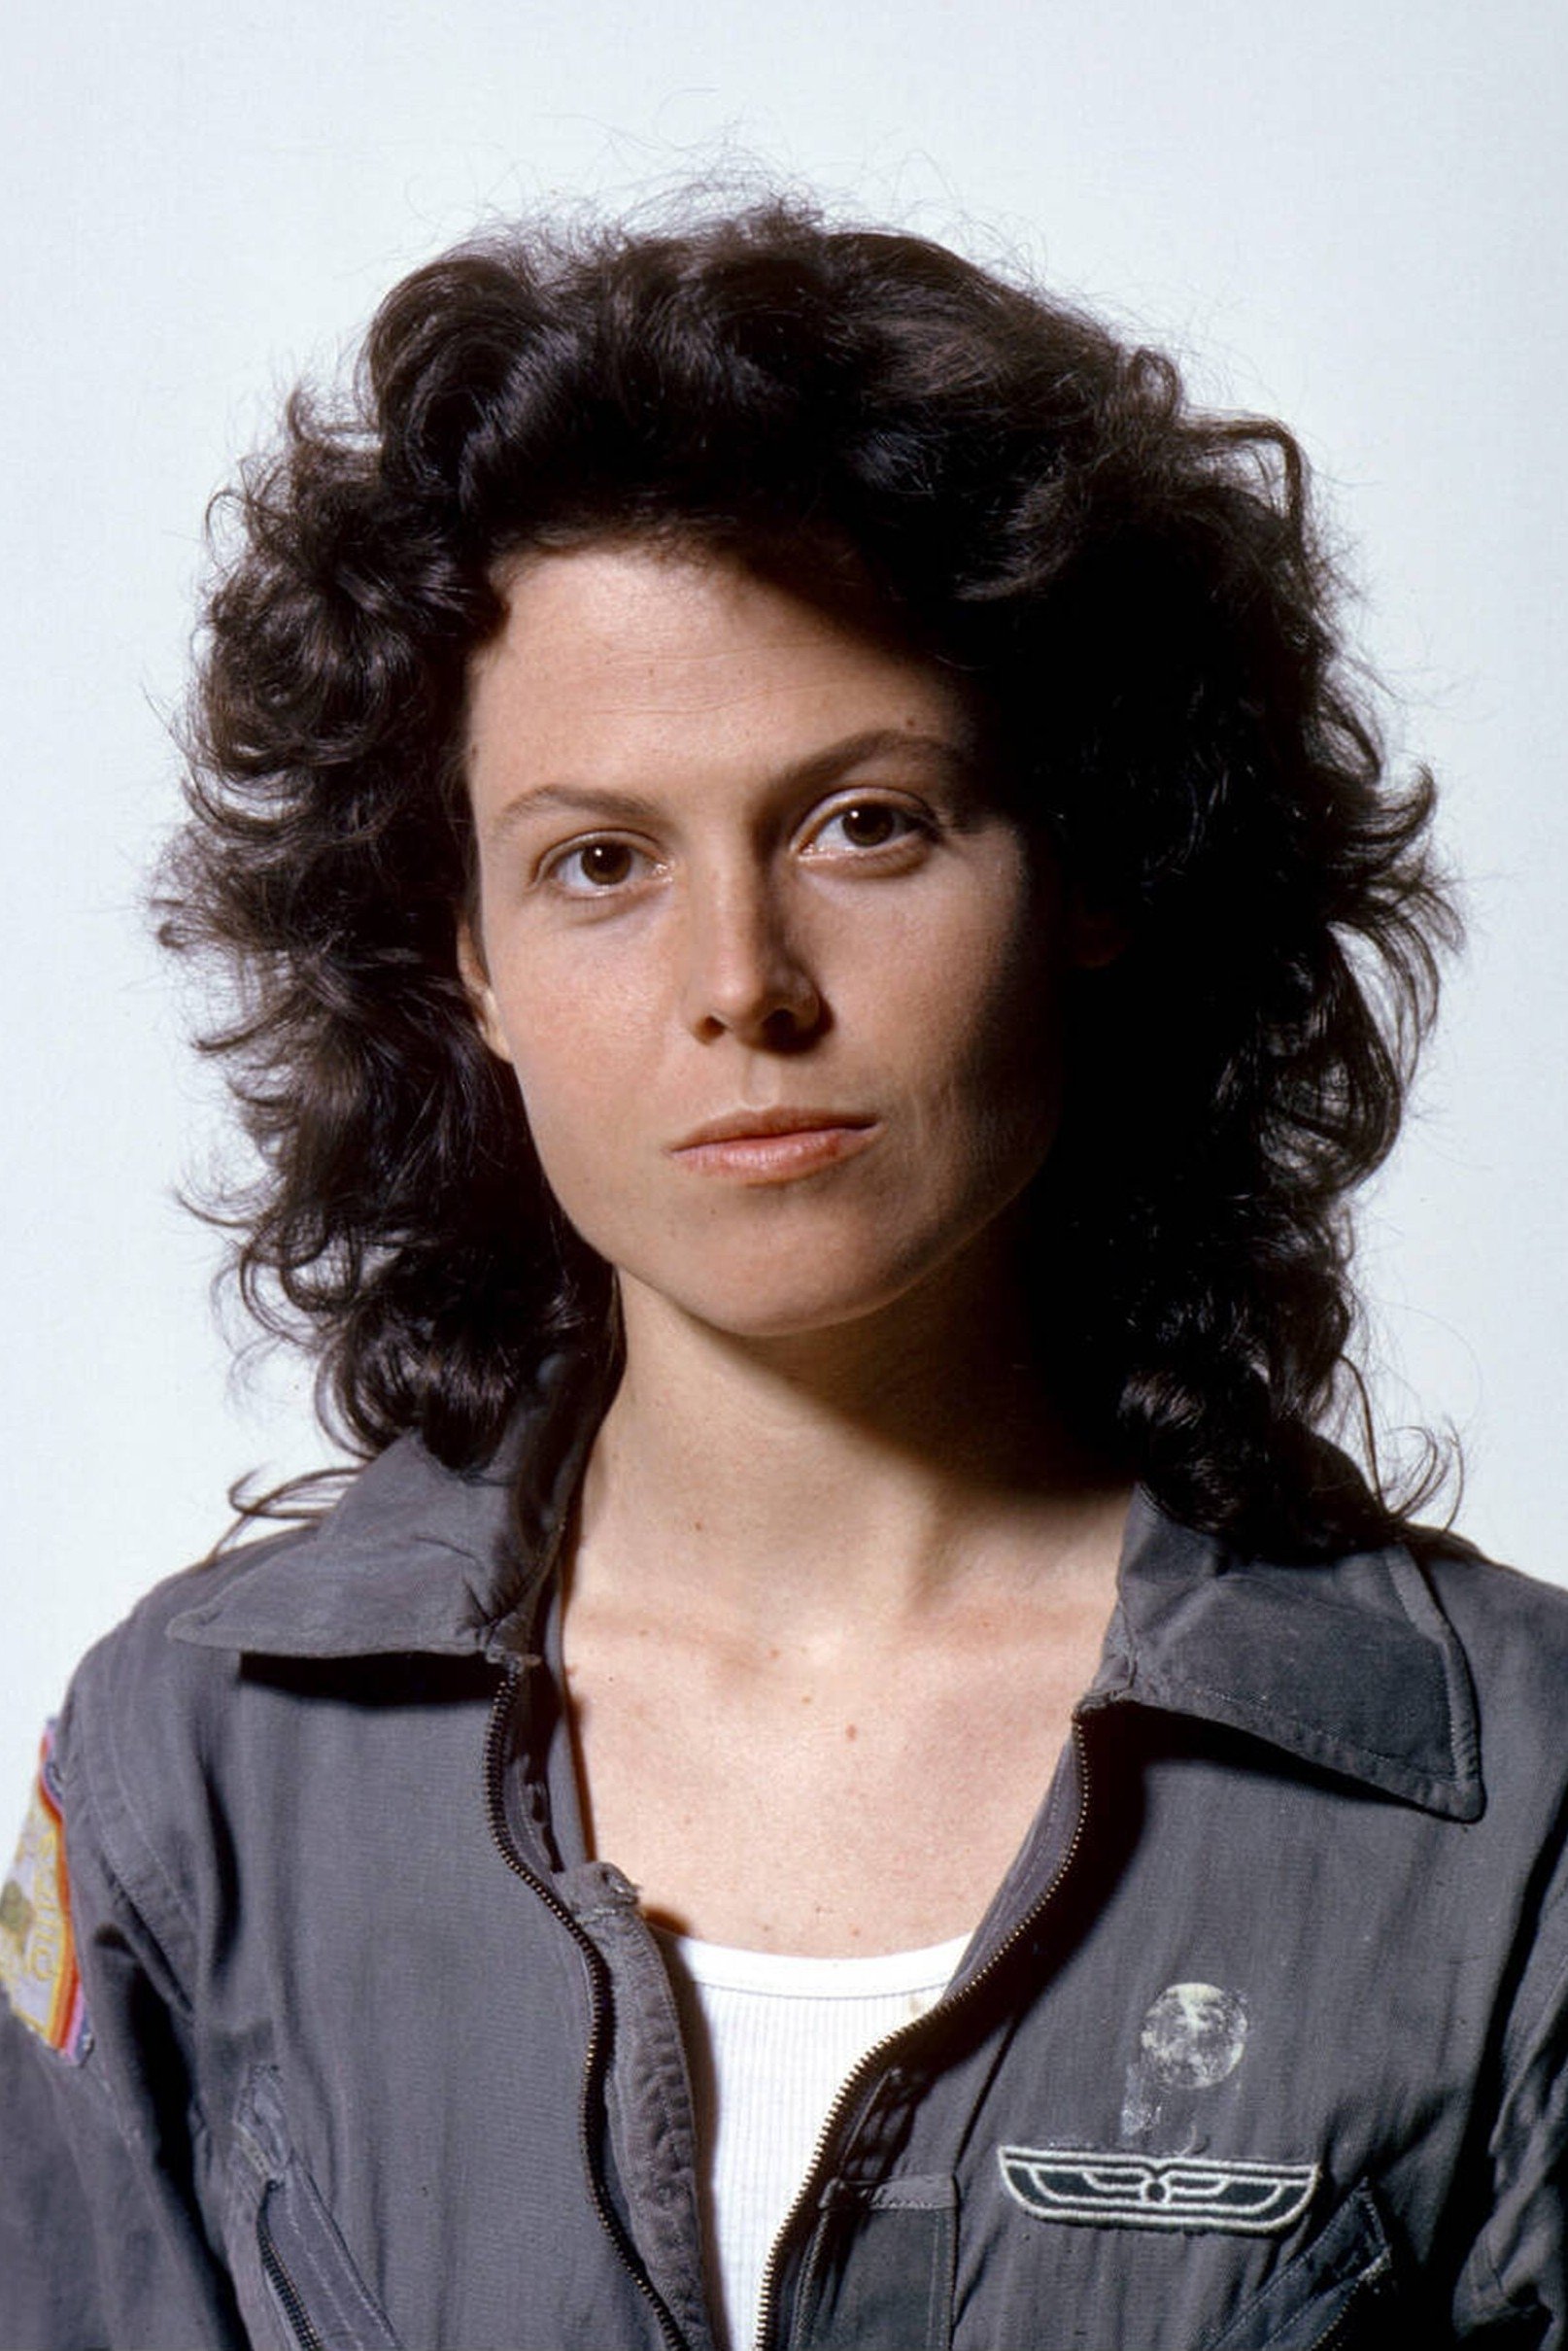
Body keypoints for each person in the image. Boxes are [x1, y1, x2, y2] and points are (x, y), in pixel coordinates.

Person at [2, 198, 1564, 2351]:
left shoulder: (1510, 1804)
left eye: (866, 824)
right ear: (471, 962)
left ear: (1093, 862)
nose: (742, 981)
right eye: (598, 862)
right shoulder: (199, 1770)